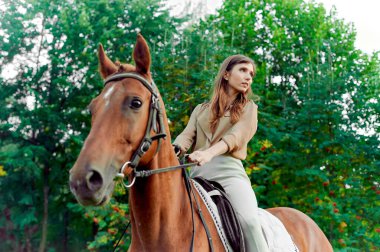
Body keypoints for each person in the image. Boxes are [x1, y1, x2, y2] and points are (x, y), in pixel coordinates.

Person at [173, 55, 269, 252]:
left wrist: (208, 153)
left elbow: (235, 137)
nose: (248, 77)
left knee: (250, 221)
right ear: (226, 74)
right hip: (196, 177)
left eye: (251, 74)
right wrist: (173, 149)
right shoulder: (200, 110)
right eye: (243, 70)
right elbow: (186, 137)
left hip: (229, 174)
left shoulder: (249, 108)